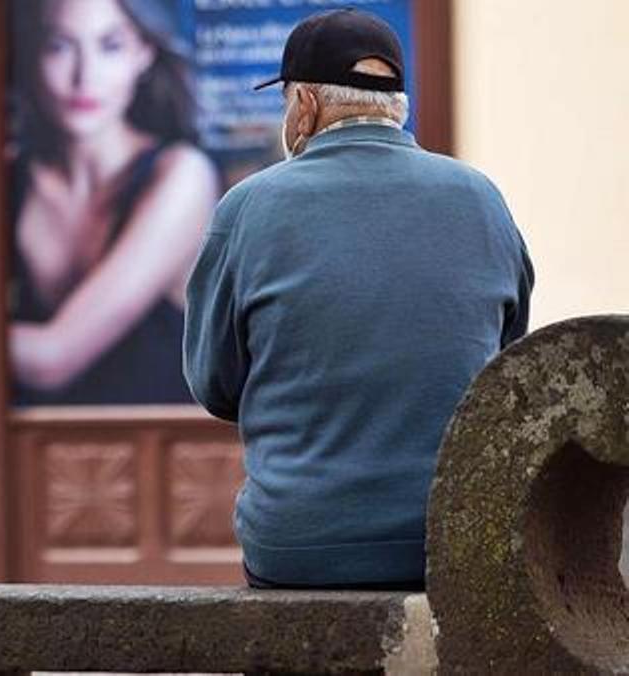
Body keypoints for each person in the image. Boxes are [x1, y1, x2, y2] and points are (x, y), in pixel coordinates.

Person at [183, 9, 534, 589]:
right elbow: (503, 359)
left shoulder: (248, 209)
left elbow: (214, 386)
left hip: (297, 549)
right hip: (450, 538)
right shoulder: (481, 199)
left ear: (305, 107)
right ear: (398, 104)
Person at [9, 0, 219, 405]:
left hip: (154, 458)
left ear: (144, 53)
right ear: (31, 54)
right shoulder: (11, 178)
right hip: (27, 452)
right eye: (59, 46)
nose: (84, 77)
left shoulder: (182, 176)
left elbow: (52, 359)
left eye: (110, 46)